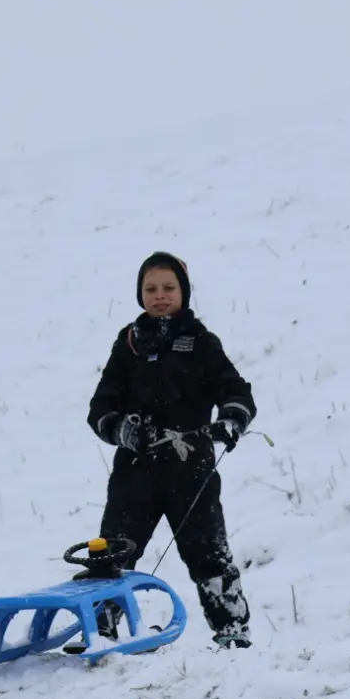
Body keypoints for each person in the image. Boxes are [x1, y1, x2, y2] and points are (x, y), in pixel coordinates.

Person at [86, 251, 255, 649]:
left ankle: (232, 633)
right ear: (140, 294)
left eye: (168, 288)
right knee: (112, 554)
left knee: (209, 555)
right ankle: (101, 632)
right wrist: (122, 430)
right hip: (135, 470)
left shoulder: (201, 342)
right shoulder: (128, 343)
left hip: (190, 468)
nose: (160, 296)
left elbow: (237, 392)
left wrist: (231, 419)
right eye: (151, 289)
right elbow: (100, 407)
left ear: (184, 292)